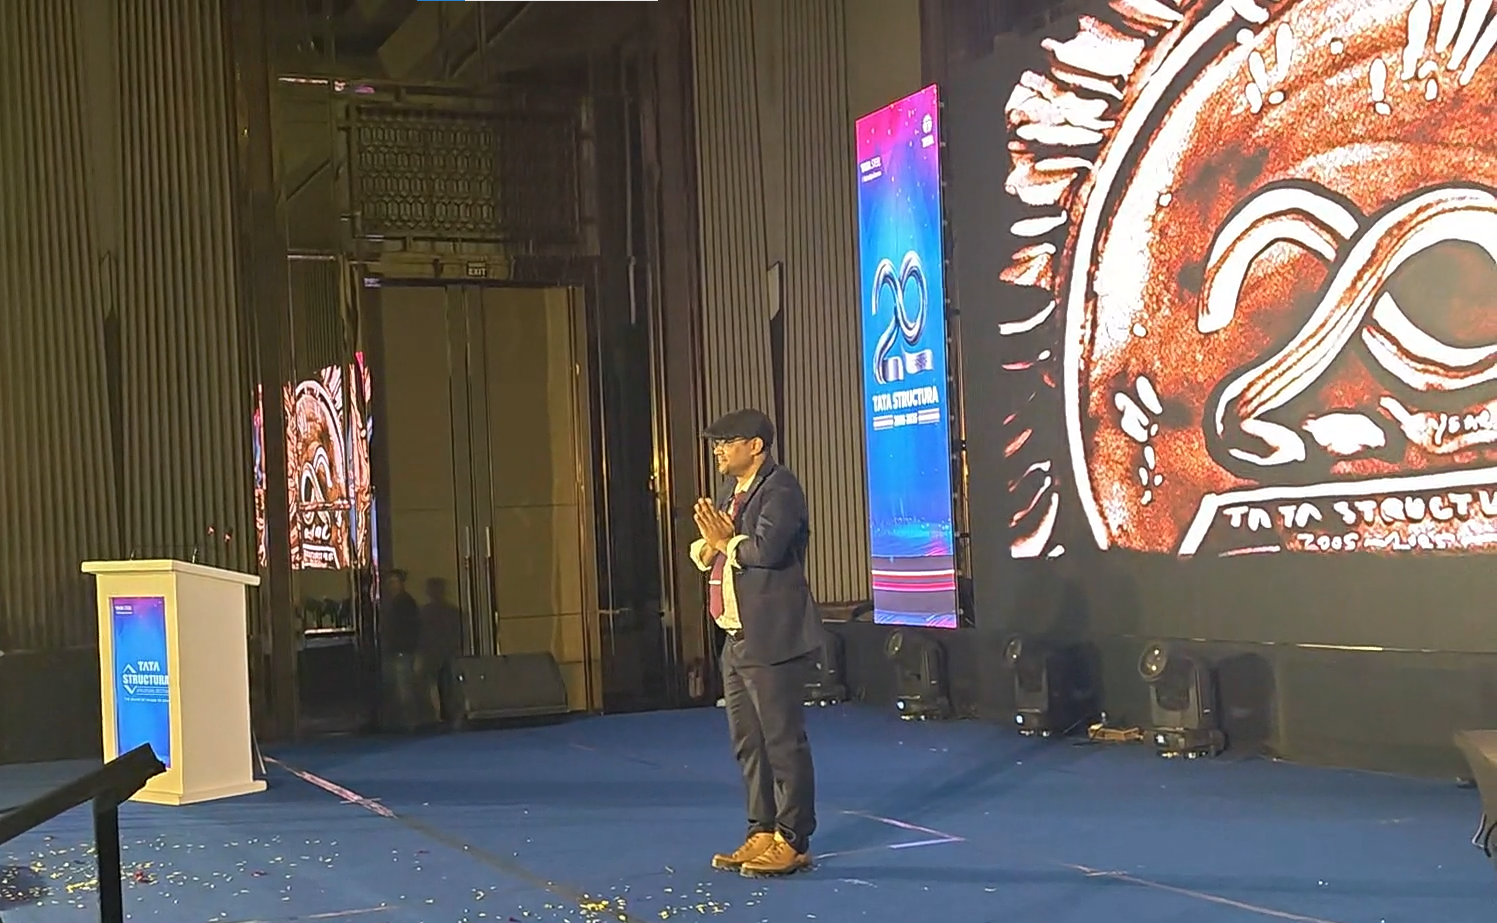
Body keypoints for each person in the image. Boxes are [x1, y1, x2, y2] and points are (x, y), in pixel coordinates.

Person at [690, 408, 824, 878]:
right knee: (749, 744)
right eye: (716, 443)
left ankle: (793, 839)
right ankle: (761, 830)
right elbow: (718, 544)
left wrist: (725, 542)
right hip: (735, 635)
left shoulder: (780, 488)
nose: (718, 451)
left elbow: (764, 550)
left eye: (726, 442)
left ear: (755, 446)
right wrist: (711, 544)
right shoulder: (733, 491)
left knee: (782, 741)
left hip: (770, 636)